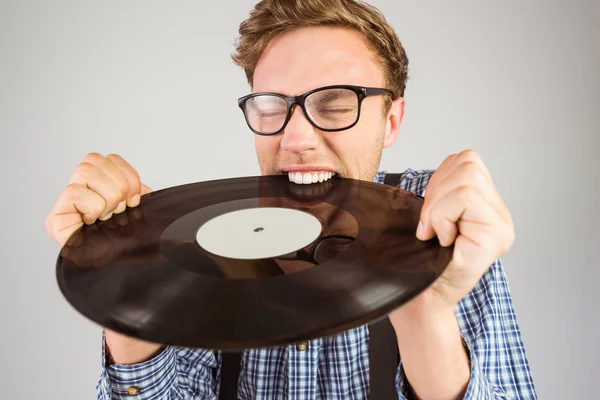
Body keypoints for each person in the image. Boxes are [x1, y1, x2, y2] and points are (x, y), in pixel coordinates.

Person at [45, 0, 538, 398]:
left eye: (336, 103)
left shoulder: (442, 221)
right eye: (271, 107)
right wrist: (127, 296)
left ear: (391, 121)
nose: (296, 139)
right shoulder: (207, 236)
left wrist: (424, 310)